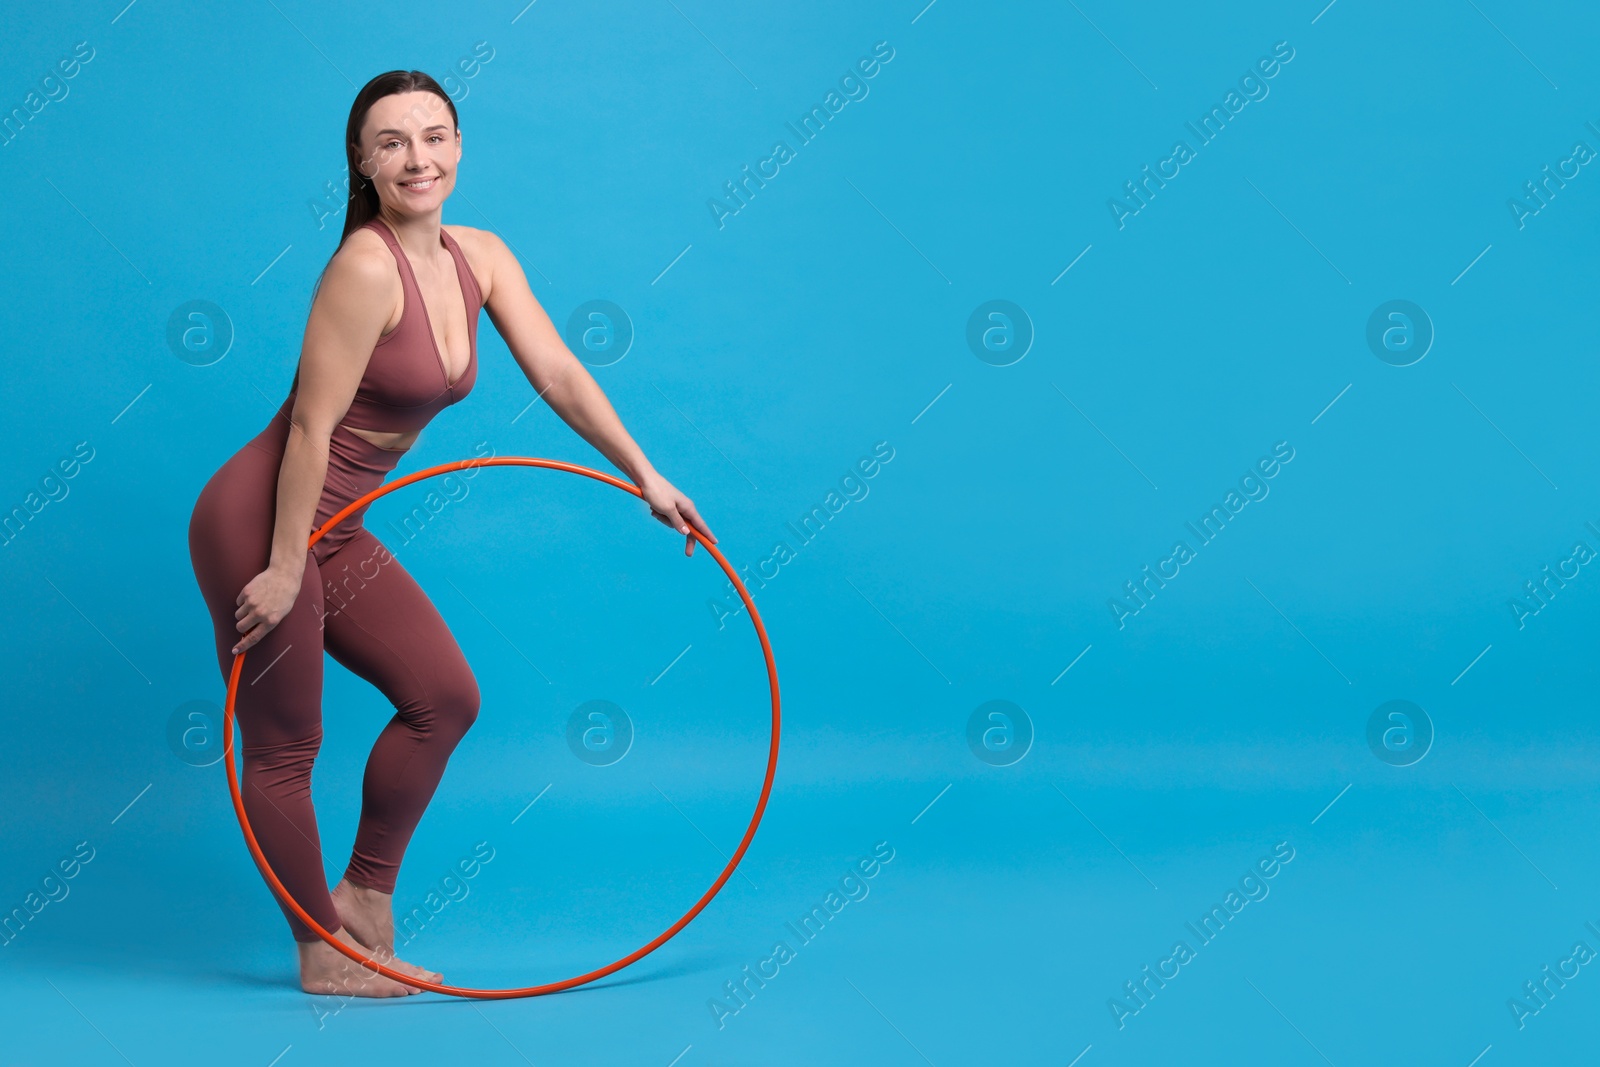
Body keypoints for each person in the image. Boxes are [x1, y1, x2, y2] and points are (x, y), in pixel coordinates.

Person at [187, 70, 715, 997]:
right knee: (284, 745)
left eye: (433, 137)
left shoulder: (483, 257)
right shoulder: (363, 265)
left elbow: (555, 370)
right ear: (362, 161)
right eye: (391, 142)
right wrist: (279, 566)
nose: (416, 158)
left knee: (445, 697)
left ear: (461, 147)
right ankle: (319, 951)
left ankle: (363, 893)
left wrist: (647, 475)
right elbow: (311, 429)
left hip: (337, 527)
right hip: (264, 519)